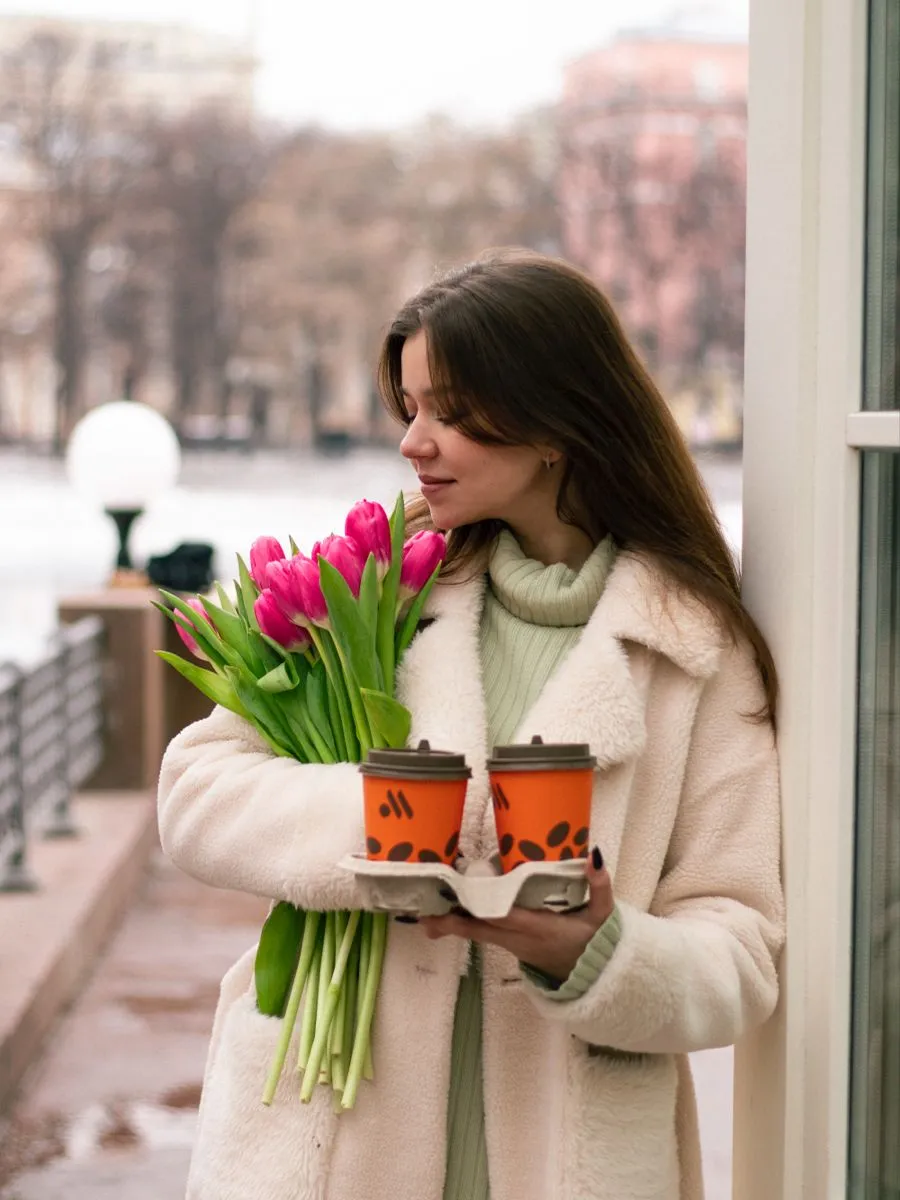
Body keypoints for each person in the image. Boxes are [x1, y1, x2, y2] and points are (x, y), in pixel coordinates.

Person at [157, 248, 784, 1200]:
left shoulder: (696, 647)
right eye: (409, 408)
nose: (414, 441)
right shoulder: (379, 588)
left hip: (567, 1155)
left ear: (556, 425)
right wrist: (384, 821)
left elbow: (741, 949)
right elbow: (195, 792)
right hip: (331, 1140)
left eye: (449, 411)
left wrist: (602, 952)